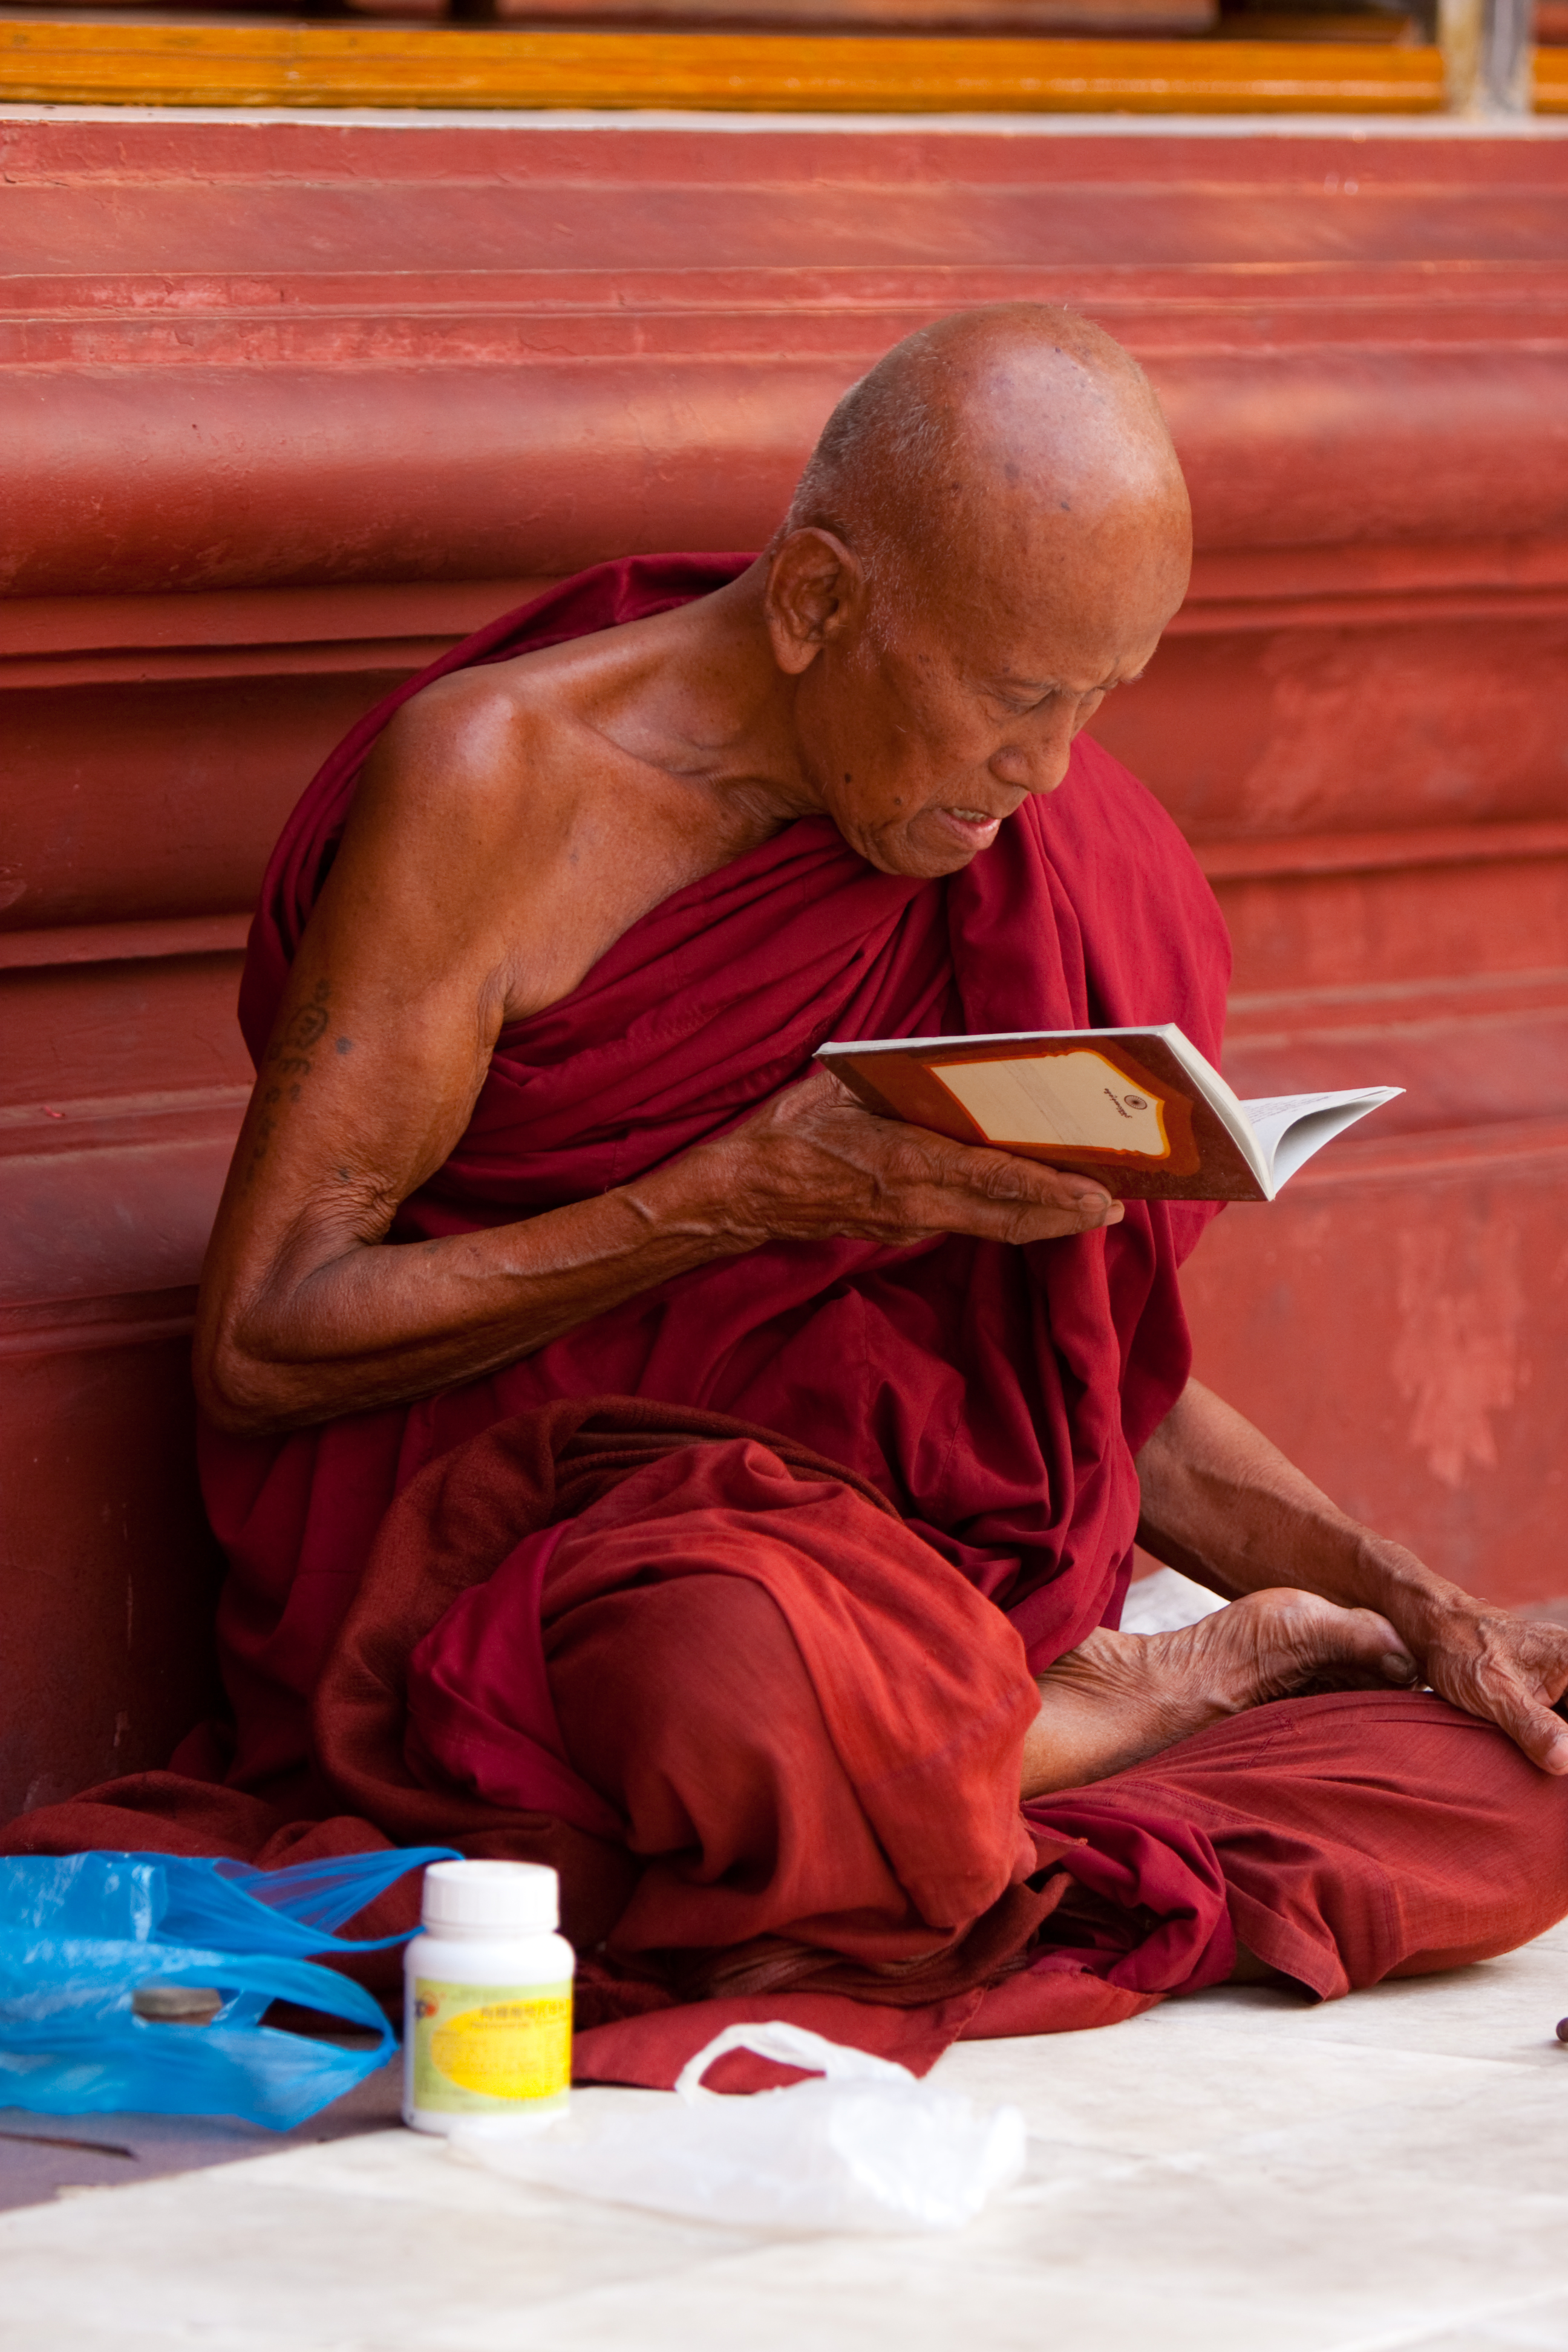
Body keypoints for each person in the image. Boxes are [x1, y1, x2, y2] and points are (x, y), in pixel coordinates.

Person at [11, 305, 1568, 2086]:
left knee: (1499, 1791)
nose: (1050, 774)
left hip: (891, 1603)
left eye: (1100, 698)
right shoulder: (504, 785)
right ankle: (1099, 1721)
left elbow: (1087, 1390)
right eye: (1016, 696)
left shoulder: (1026, 861)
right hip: (529, 1579)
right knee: (729, 1686)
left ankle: (987, 1773)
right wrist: (728, 1198)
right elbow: (267, 1333)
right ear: (821, 604)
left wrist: (1414, 1598)